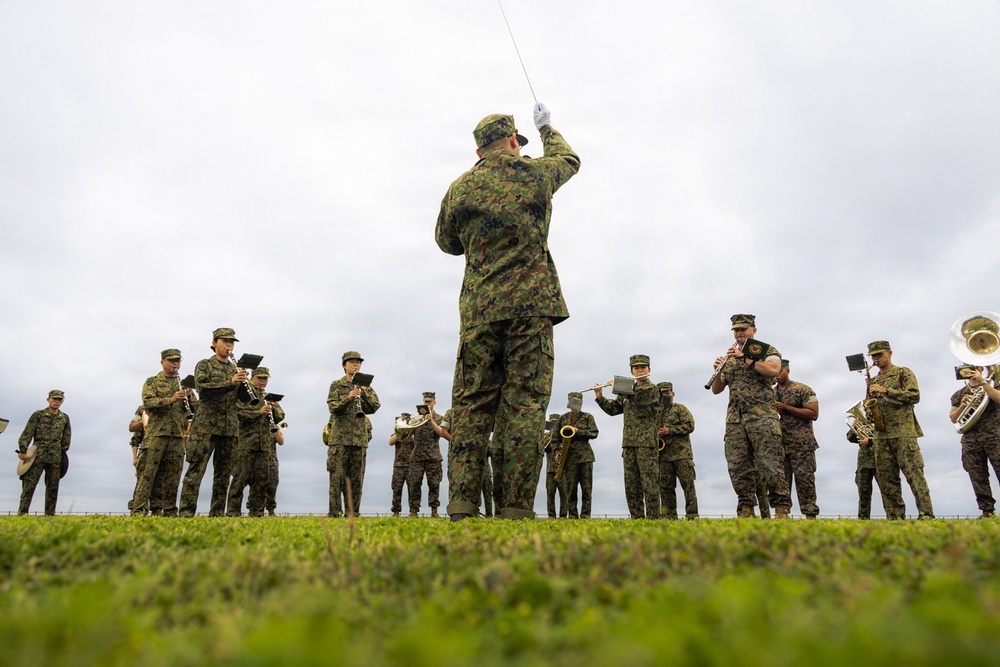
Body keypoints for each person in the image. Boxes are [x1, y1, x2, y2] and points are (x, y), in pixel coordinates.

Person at [436, 103, 580, 521]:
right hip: (531, 309)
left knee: (471, 406)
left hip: (479, 311)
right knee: (524, 405)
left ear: (479, 150)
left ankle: (463, 503)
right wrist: (548, 127)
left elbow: (447, 242)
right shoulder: (533, 173)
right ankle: (515, 508)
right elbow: (569, 159)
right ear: (514, 141)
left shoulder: (460, 188)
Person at [710, 314, 792, 519]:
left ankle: (781, 508)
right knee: (738, 466)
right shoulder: (729, 356)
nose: (739, 333)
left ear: (753, 330)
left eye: (743, 329)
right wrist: (718, 371)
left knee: (770, 464)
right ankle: (746, 508)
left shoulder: (766, 350)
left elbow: (773, 369)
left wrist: (744, 358)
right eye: (736, 330)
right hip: (735, 420)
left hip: (762, 417)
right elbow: (716, 389)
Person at [179, 328, 246, 517]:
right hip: (205, 427)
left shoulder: (234, 369)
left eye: (232, 342)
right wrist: (230, 383)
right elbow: (203, 389)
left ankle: (217, 514)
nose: (229, 345)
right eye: (225, 341)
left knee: (223, 475)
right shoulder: (204, 365)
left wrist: (243, 383)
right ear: (214, 342)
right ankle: (185, 514)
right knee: (196, 471)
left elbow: (244, 400)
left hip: (229, 428)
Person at [866, 340, 934, 519]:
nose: (876, 359)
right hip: (881, 435)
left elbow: (914, 395)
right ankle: (894, 517)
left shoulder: (903, 372)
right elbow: (868, 404)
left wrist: (886, 391)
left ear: (890, 353)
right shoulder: (873, 380)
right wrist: (869, 412)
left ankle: (926, 515)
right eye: (873, 356)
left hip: (903, 432)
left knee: (914, 474)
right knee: (886, 479)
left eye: (879, 354)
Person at [594, 355, 661, 519]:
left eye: (643, 367)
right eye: (636, 368)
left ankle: (654, 518)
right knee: (631, 485)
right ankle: (637, 518)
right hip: (629, 444)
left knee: (650, 483)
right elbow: (614, 409)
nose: (640, 370)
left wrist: (618, 386)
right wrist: (600, 397)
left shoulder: (652, 389)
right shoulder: (626, 391)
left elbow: (640, 398)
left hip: (647, 444)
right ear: (631, 370)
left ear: (649, 370)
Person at [130, 349, 189, 517]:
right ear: (162, 362)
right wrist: (171, 399)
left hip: (177, 436)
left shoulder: (183, 385)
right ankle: (138, 510)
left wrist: (189, 399)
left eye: (178, 361)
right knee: (147, 475)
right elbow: (148, 403)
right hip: (156, 435)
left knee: (173, 477)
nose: (175, 364)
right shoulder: (152, 382)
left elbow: (195, 409)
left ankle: (170, 511)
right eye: (171, 361)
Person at [326, 351, 380, 516]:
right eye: (351, 362)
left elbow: (374, 407)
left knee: (357, 480)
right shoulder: (336, 384)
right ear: (344, 365)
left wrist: (364, 393)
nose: (355, 365)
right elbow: (333, 407)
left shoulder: (365, 386)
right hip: (339, 439)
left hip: (359, 440)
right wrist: (348, 398)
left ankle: (353, 513)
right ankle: (334, 513)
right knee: (337, 478)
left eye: (358, 362)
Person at [228, 367, 284, 517]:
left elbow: (281, 416)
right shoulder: (245, 394)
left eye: (265, 379)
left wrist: (272, 409)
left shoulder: (267, 397)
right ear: (252, 378)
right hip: (246, 443)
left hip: (263, 445)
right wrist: (258, 413)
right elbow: (238, 412)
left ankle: (257, 512)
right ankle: (233, 512)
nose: (262, 382)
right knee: (239, 479)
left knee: (261, 481)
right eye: (260, 378)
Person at [949, 365, 1000, 518]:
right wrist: (963, 406)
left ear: (981, 367)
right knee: (977, 476)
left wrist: (983, 383)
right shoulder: (958, 395)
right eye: (968, 366)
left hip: (995, 436)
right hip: (971, 440)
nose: (971, 370)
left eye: (975, 366)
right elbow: (953, 418)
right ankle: (987, 511)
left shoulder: (994, 385)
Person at [773, 359, 821, 519]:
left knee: (805, 480)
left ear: (787, 370)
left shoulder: (802, 389)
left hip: (802, 445)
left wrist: (787, 407)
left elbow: (813, 413)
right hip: (779, 445)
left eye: (780, 371)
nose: (778, 375)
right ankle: (782, 514)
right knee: (780, 482)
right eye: (775, 372)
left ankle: (810, 514)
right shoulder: (769, 392)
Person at [17, 390, 71, 515]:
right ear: (48, 400)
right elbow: (27, 434)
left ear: (62, 401)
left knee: (53, 488)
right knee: (29, 486)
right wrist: (23, 451)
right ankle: (22, 514)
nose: (56, 401)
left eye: (59, 399)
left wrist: (63, 454)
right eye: (54, 399)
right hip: (37, 455)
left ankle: (50, 514)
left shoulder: (64, 418)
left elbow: (66, 437)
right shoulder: (38, 415)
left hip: (55, 456)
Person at [655, 382, 698, 520]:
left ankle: (692, 516)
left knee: (688, 486)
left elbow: (690, 425)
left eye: (668, 393)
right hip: (664, 456)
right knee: (666, 489)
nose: (666, 396)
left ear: (673, 394)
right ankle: (669, 517)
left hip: (682, 455)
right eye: (662, 394)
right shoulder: (655, 412)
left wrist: (670, 431)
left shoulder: (680, 409)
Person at [555, 392, 598, 519]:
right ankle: (572, 515)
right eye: (572, 401)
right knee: (570, 488)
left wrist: (578, 431)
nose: (575, 404)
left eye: (577, 402)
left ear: (581, 403)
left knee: (586, 488)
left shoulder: (588, 417)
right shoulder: (562, 419)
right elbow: (555, 438)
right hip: (569, 458)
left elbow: (594, 433)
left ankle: (585, 515)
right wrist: (558, 451)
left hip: (585, 457)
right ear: (568, 402)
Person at [407, 392, 448, 518]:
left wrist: (431, 421)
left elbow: (441, 433)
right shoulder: (416, 418)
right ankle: (413, 511)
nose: (427, 404)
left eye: (429, 402)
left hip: (433, 457)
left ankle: (434, 511)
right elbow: (407, 436)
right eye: (425, 402)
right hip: (417, 457)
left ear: (434, 402)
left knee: (434, 484)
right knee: (414, 484)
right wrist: (409, 425)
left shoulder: (439, 418)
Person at [847, 425, 879, 519]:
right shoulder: (864, 424)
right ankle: (863, 519)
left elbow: (887, 440)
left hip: (880, 460)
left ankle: (894, 517)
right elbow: (850, 438)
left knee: (887, 492)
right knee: (863, 494)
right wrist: (854, 427)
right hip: (864, 462)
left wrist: (870, 442)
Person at [388, 413, 415, 517]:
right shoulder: (397, 434)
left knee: (412, 490)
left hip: (411, 466)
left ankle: (413, 511)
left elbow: (416, 441)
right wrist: (399, 430)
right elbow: (390, 442)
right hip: (398, 466)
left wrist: (410, 429)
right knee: (396, 489)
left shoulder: (413, 434)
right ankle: (396, 511)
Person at [543, 413, 566, 518]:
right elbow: (543, 447)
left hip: (563, 469)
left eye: (555, 424)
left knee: (564, 494)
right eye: (552, 424)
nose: (554, 426)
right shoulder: (546, 436)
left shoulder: (564, 434)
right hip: (550, 470)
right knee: (550, 494)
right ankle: (551, 515)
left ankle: (563, 515)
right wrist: (551, 436)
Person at [265, 422, 284, 516]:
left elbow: (281, 442)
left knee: (272, 486)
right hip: (259, 460)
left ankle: (271, 510)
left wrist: (277, 430)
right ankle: (255, 510)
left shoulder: (274, 428)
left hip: (272, 462)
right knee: (256, 485)